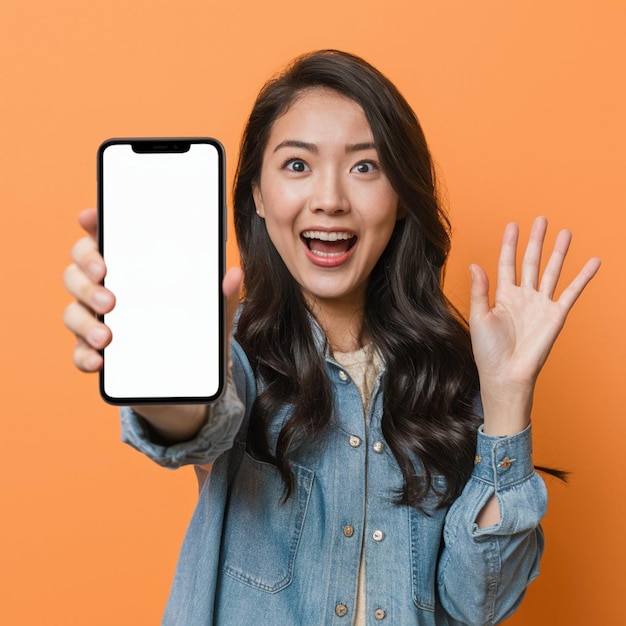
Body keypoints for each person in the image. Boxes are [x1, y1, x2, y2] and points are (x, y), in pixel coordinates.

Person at [63, 50, 600, 625]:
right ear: (259, 196)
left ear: (400, 198)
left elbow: (480, 603)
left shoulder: (450, 376)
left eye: (365, 167)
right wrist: (159, 364)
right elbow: (191, 420)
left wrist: (508, 399)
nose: (330, 199)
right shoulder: (233, 353)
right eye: (297, 165)